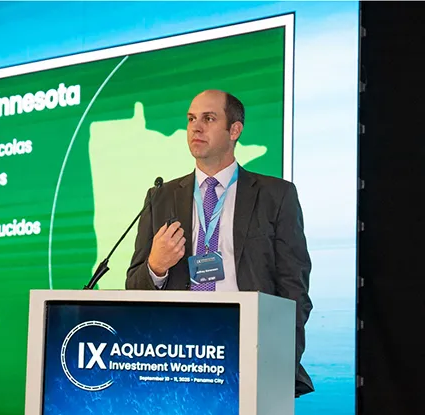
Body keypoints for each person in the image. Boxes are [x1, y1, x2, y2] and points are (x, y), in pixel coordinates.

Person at [125, 89, 314, 397]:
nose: (196, 128)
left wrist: (279, 361)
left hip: (248, 350)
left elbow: (294, 289)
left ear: (234, 130)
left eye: (209, 119)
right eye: (191, 119)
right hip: (176, 355)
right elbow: (133, 289)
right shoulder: (160, 197)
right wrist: (155, 267)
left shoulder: (275, 195)